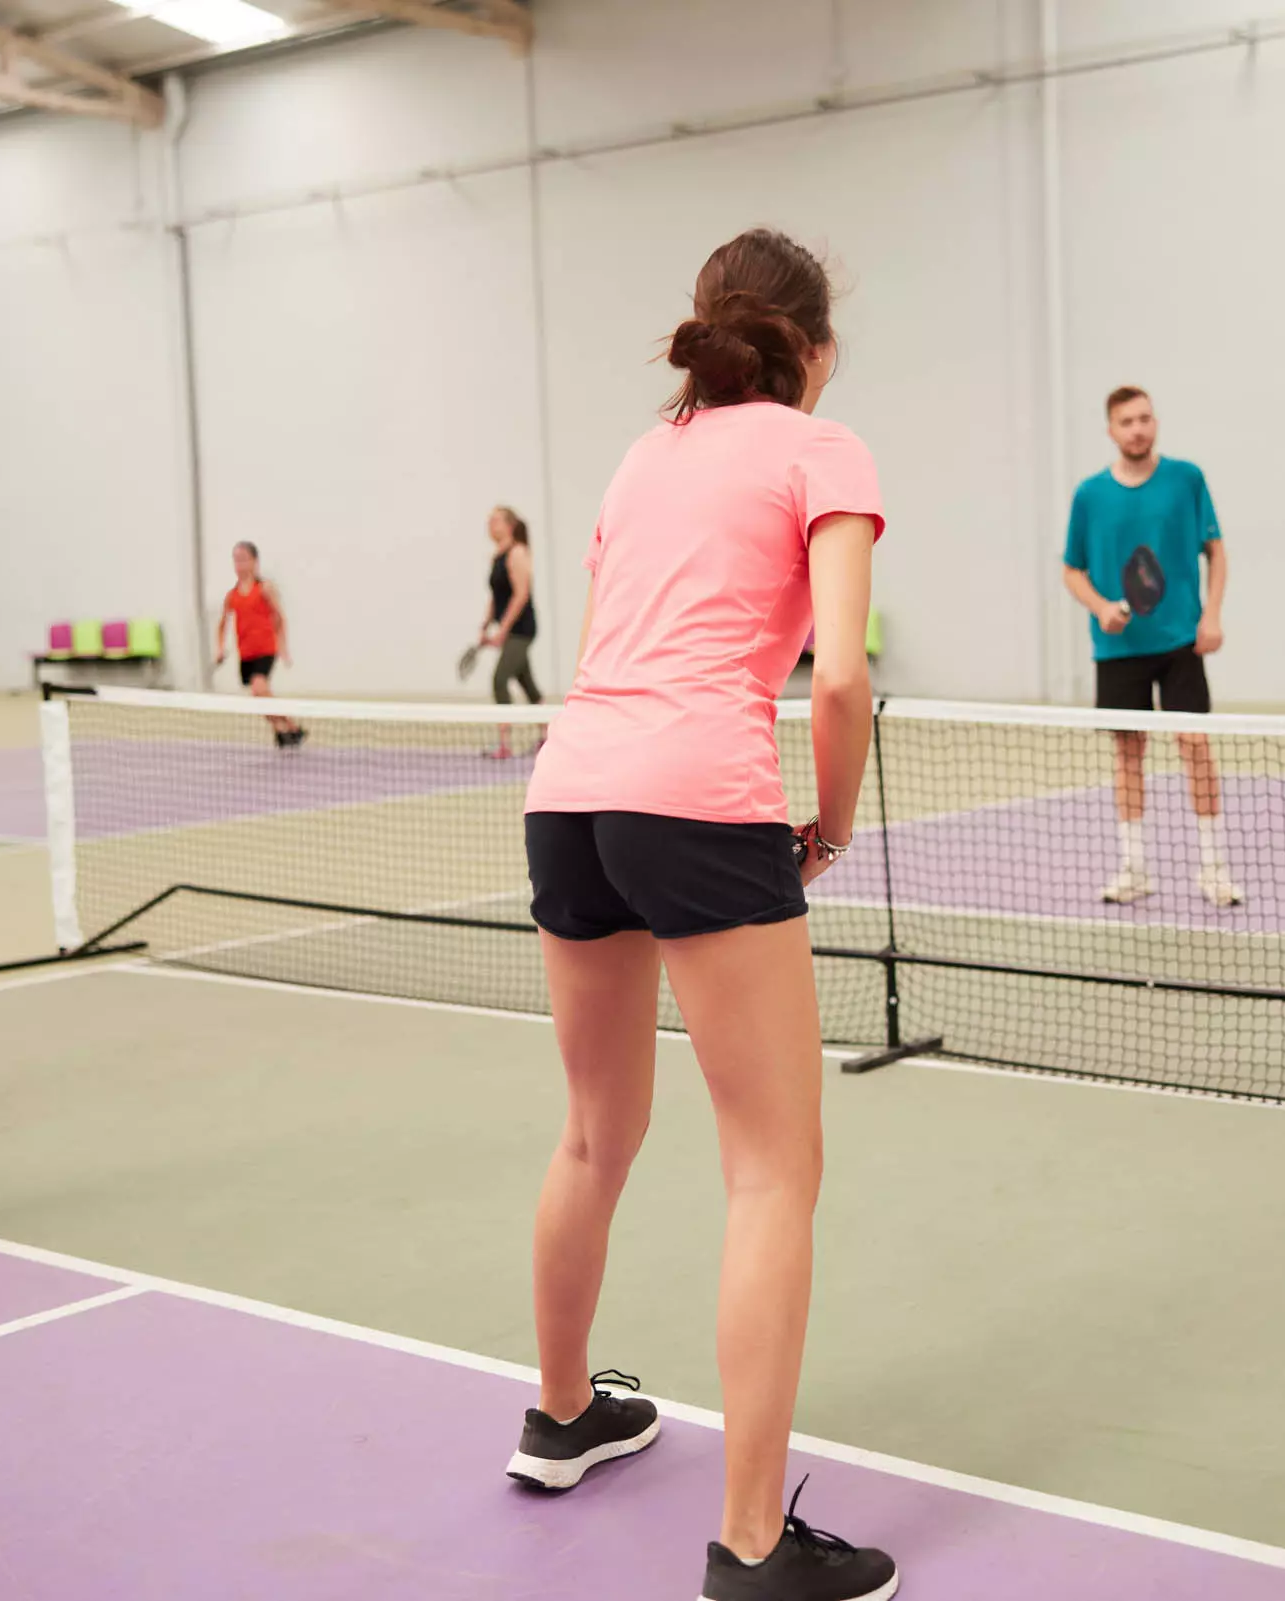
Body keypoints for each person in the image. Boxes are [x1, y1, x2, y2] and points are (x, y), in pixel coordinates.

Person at [507, 228, 898, 1601]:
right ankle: (748, 1545)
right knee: (773, 1169)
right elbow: (840, 679)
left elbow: (621, 634)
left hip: (572, 794)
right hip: (701, 797)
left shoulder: (643, 451)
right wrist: (832, 822)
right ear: (816, 344)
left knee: (593, 1132)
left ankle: (563, 1414)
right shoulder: (821, 446)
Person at [1061, 385, 1240, 906]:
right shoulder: (1089, 495)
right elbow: (1072, 569)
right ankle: (1134, 868)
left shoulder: (1187, 479)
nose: (1138, 428)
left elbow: (1217, 551)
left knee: (1195, 747)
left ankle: (1213, 869)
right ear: (1111, 430)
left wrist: (1211, 614)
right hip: (1118, 649)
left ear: (1154, 422)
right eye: (1127, 421)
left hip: (1182, 640)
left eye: (1145, 418)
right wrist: (1099, 607)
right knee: (1128, 753)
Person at [212, 541, 302, 748]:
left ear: (254, 561)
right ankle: (282, 731)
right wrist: (219, 648)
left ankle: (291, 726)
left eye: (244, 559)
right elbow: (222, 624)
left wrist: (283, 647)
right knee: (258, 695)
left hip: (265, 649)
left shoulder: (265, 588)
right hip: (246, 653)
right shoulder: (231, 596)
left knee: (259, 688)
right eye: (236, 560)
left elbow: (279, 617)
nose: (240, 565)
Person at [481, 506, 542, 760]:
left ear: (508, 525)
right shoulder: (497, 556)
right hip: (509, 629)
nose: (489, 524)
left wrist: (503, 630)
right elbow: (497, 596)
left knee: (499, 679)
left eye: (494, 520)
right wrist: (486, 625)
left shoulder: (517, 552)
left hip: (522, 630)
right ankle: (547, 738)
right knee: (528, 685)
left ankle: (504, 743)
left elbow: (521, 595)